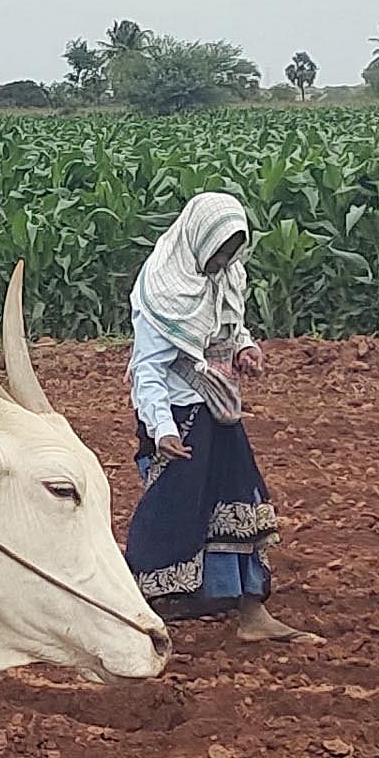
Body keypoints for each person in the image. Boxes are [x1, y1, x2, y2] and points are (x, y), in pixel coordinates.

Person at [123, 193, 316, 644]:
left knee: (240, 499)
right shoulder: (162, 288)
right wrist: (162, 429)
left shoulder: (227, 275)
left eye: (233, 251)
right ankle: (135, 611)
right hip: (177, 412)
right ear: (198, 240)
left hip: (218, 405)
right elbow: (148, 368)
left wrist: (245, 348)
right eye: (220, 251)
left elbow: (231, 326)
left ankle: (251, 611)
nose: (225, 261)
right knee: (169, 511)